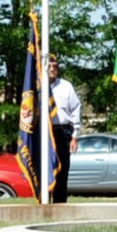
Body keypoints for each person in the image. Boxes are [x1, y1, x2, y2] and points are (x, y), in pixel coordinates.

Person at [44, 55, 81, 203]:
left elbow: (75, 109)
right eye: (50, 66)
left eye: (56, 66)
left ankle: (60, 205)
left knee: (62, 169)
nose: (53, 69)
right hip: (44, 132)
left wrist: (75, 135)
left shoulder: (66, 86)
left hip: (62, 131)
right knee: (44, 168)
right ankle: (43, 202)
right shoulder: (37, 86)